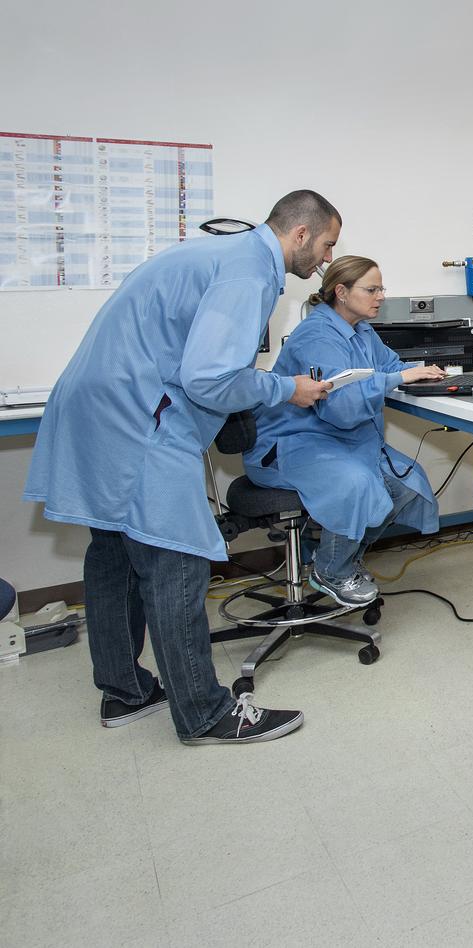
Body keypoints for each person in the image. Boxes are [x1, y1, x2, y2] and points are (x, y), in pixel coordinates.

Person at [23, 190, 339, 745]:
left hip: (96, 403)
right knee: (178, 560)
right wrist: (287, 388)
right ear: (300, 234)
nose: (327, 261)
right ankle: (204, 713)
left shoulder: (218, 256)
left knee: (115, 553)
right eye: (328, 245)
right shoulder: (250, 271)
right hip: (137, 416)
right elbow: (209, 378)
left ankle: (125, 691)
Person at [244, 256, 444, 607]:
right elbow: (340, 406)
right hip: (290, 443)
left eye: (381, 288)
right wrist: (397, 378)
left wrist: (429, 369)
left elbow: (390, 365)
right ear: (341, 291)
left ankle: (343, 559)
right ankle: (331, 571)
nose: (380, 296)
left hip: (339, 441)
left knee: (409, 484)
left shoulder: (361, 331)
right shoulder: (317, 335)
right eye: (372, 289)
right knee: (357, 485)